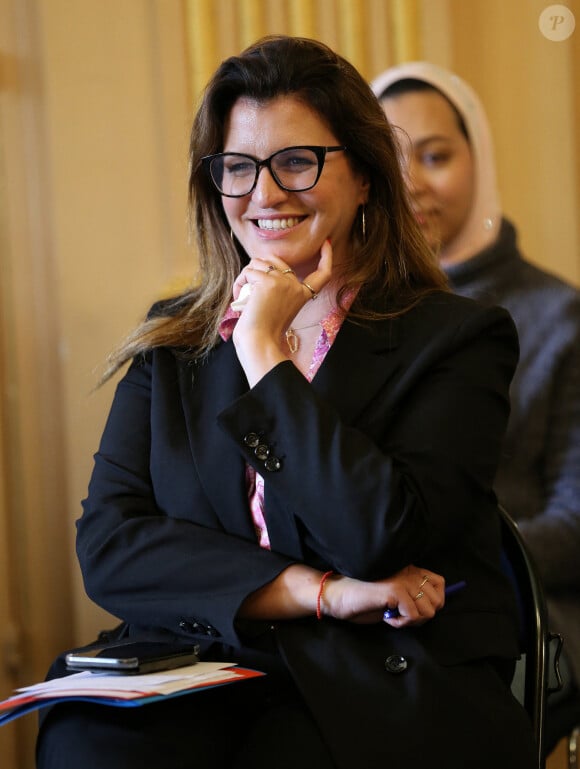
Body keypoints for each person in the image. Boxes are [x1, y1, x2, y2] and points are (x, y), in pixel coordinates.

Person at [36, 37, 537, 769]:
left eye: (297, 162)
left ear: (365, 175)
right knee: (90, 746)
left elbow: (380, 534)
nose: (265, 194)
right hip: (209, 657)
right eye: (238, 167)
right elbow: (112, 547)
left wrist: (266, 352)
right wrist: (320, 590)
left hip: (380, 672)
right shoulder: (175, 337)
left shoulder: (456, 338)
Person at [372, 60, 580, 750]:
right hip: (366, 608)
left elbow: (577, 519)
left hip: (522, 613)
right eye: (390, 159)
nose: (412, 182)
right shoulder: (350, 317)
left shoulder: (560, 317)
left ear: (478, 158)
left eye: (435, 155)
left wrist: (448, 566)